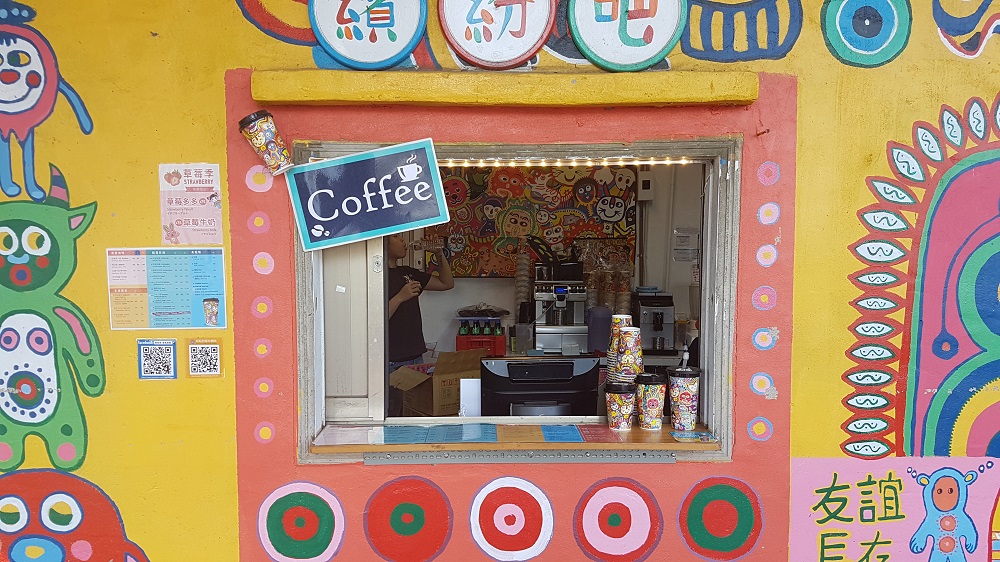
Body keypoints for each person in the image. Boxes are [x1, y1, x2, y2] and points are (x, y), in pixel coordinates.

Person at [385, 233, 454, 416]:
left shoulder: (407, 273)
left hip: (416, 356)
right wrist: (400, 297)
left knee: (415, 411)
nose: (403, 240)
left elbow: (446, 283)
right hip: (392, 360)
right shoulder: (377, 276)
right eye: (397, 237)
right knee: (394, 415)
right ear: (384, 243)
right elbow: (375, 320)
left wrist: (438, 254)